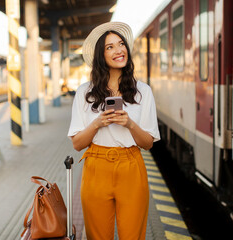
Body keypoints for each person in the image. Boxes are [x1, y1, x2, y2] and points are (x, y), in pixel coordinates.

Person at [67, 22, 160, 240]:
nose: (118, 50)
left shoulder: (143, 92)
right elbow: (77, 144)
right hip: (95, 168)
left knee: (133, 236)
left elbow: (148, 144)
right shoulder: (84, 92)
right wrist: (98, 123)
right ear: (101, 55)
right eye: (109, 47)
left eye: (120, 44)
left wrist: (130, 124)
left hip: (131, 166)